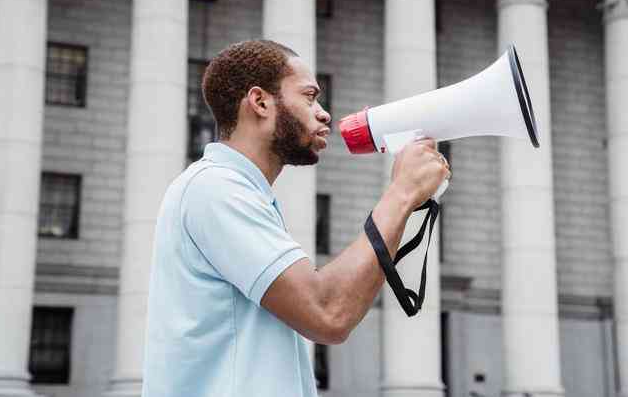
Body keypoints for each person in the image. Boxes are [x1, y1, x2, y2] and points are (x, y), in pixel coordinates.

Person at [141, 39, 450, 397]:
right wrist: (402, 193)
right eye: (309, 96)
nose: (324, 113)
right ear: (260, 102)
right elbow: (328, 313)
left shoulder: (233, 190)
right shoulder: (215, 189)